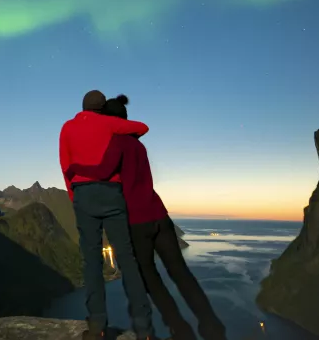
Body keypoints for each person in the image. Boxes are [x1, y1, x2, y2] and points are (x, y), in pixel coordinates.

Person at [65, 95, 227, 340]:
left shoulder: (116, 144)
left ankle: (179, 330)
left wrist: (77, 168)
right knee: (181, 273)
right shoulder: (138, 145)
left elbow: (103, 171)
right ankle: (212, 327)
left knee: (149, 277)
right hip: (159, 216)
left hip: (136, 221)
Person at [59, 90, 157, 340]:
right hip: (112, 194)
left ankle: (97, 328)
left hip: (83, 195)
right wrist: (119, 126)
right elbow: (143, 127)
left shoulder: (67, 127)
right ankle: (145, 330)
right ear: (102, 108)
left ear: (82, 107)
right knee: (127, 259)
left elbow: (65, 165)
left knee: (91, 261)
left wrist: (75, 197)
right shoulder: (110, 124)